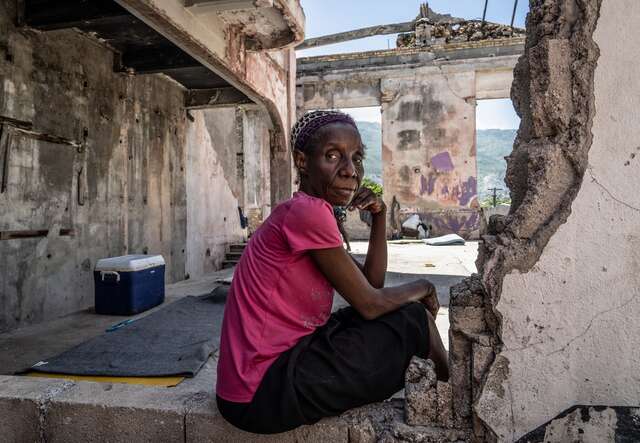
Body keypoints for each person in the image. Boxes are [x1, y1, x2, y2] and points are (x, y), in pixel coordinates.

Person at [216, 110, 449, 434]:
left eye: (356, 158)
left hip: (269, 373)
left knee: (404, 315)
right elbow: (371, 302)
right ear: (302, 161)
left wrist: (379, 216)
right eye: (333, 156)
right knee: (412, 320)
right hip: (261, 391)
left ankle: (448, 389)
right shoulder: (308, 212)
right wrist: (424, 285)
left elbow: (370, 287)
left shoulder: (304, 211)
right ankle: (452, 395)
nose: (350, 171)